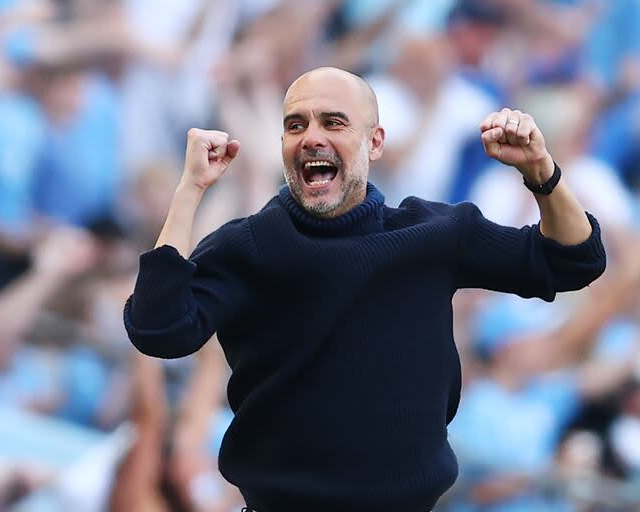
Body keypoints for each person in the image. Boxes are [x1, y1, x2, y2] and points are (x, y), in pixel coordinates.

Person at [123, 66, 606, 512]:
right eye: (296, 125)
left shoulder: (436, 233)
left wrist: (541, 172)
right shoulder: (250, 245)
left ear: (374, 143)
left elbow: (574, 260)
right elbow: (158, 329)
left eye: (333, 122)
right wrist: (189, 190)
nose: (311, 137)